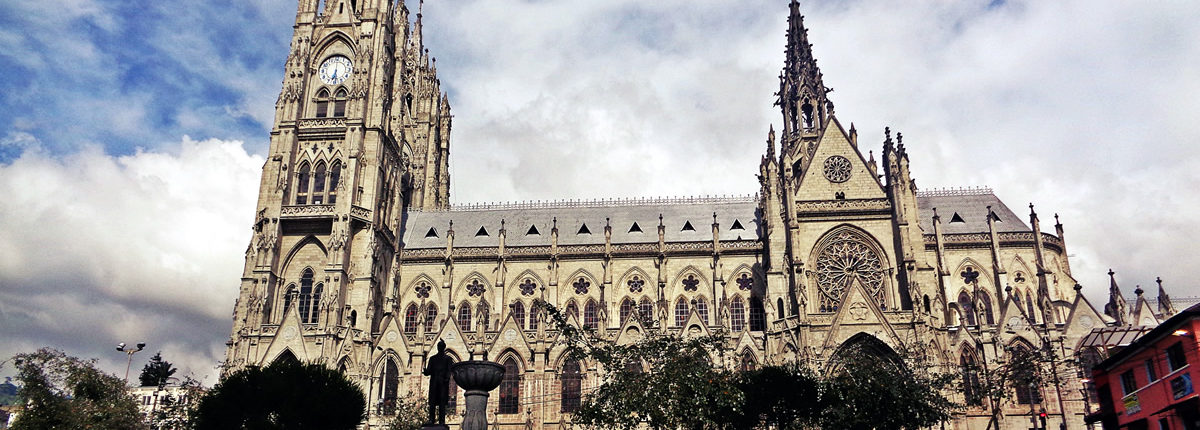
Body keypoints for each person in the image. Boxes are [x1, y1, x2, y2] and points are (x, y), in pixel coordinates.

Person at [423, 340, 454, 424]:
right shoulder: (433, 358)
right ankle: (431, 420)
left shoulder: (448, 359)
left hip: (443, 383)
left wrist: (447, 378)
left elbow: (449, 370)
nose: (440, 348)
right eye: (439, 346)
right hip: (434, 383)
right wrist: (425, 371)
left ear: (443, 348)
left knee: (442, 403)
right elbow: (428, 371)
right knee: (432, 403)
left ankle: (442, 421)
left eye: (441, 346)